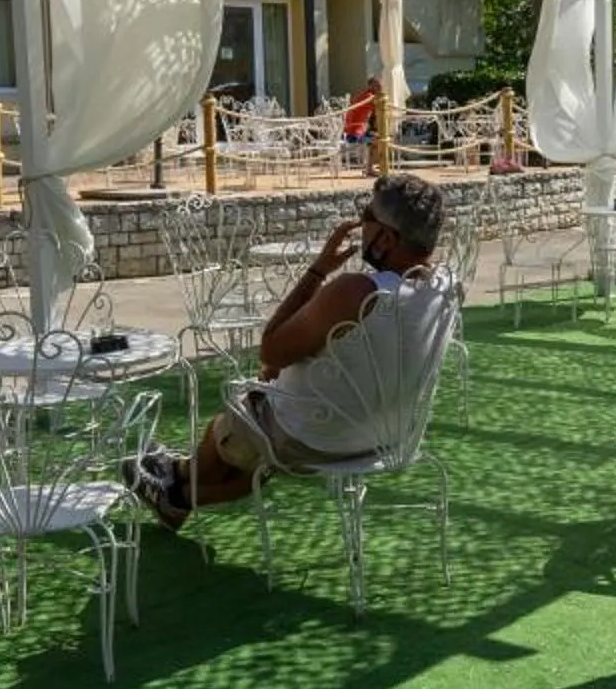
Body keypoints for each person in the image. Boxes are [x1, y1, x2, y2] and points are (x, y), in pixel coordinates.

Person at [126, 174, 451, 527]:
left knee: (238, 422)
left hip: (316, 439)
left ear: (387, 236)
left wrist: (318, 270)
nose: (360, 226)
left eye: (366, 216)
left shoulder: (358, 291)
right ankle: (174, 483)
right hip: (390, 437)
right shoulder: (446, 286)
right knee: (253, 428)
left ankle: (174, 484)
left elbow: (272, 349)